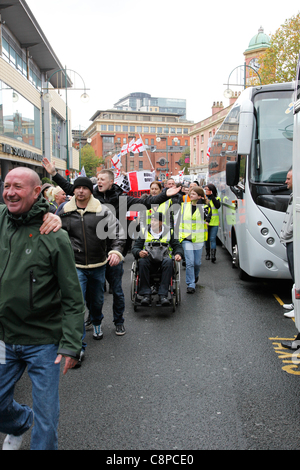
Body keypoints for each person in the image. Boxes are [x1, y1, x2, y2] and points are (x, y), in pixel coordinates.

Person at [42, 158, 181, 335]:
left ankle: (118, 321)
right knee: (92, 293)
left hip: (115, 248)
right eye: (97, 179)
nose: (98, 182)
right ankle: (92, 317)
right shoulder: (92, 195)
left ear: (111, 182)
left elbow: (147, 202)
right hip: (93, 250)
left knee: (116, 290)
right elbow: (72, 189)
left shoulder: (122, 198)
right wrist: (54, 173)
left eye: (101, 179)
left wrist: (165, 195)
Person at [0, 167, 85, 451]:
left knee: (47, 420)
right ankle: (21, 421)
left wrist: (71, 345)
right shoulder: (0, 220)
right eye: (7, 185)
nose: (10, 191)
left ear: (37, 191)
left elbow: (73, 297)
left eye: (18, 186)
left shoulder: (53, 234)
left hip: (44, 342)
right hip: (5, 337)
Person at [57, 176, 125, 346]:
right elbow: (53, 234)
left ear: (90, 190)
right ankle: (77, 344)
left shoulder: (102, 210)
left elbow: (118, 233)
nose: (81, 191)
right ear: (73, 190)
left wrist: (116, 251)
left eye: (84, 188)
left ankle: (96, 322)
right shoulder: (64, 210)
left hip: (98, 265)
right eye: (77, 188)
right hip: (75, 266)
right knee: (76, 303)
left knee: (96, 301)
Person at [132, 211, 183, 306]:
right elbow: (135, 248)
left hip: (163, 261)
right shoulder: (144, 231)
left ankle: (163, 295)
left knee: (168, 261)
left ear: (161, 222)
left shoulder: (170, 231)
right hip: (148, 260)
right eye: (151, 220)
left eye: (155, 220)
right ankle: (146, 295)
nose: (152, 222)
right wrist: (139, 253)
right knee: (142, 261)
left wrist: (178, 254)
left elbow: (177, 246)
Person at [179, 187, 211, 293]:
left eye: (194, 194)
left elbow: (206, 217)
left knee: (197, 263)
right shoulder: (184, 206)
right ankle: (190, 284)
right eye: (190, 193)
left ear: (200, 196)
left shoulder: (205, 207)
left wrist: (201, 204)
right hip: (186, 238)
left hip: (198, 238)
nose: (191, 195)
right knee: (190, 262)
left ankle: (195, 276)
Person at [279, 169, 295, 320]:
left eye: (288, 179)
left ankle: (298, 308)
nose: (285, 182)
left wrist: (287, 234)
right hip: (290, 239)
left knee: (297, 274)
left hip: (294, 240)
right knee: (293, 272)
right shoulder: (293, 195)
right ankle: (296, 304)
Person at [204, 183, 221, 263]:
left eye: (208, 189)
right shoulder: (204, 199)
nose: (206, 191)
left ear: (212, 190)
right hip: (205, 222)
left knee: (212, 239)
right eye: (206, 189)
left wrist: (212, 196)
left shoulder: (217, 198)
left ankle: (213, 255)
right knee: (206, 239)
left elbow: (217, 206)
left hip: (214, 222)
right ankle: (207, 253)